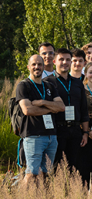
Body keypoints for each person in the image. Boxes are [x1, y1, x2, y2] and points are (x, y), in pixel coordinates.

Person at [16, 55, 65, 185]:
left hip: (51, 136)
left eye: (39, 64)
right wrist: (50, 108)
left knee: (46, 174)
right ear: (28, 67)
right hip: (33, 136)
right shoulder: (23, 86)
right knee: (31, 173)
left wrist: (42, 102)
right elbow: (28, 110)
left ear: (44, 67)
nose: (37, 67)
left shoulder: (50, 86)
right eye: (34, 64)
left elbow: (61, 107)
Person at [45, 48, 90, 178]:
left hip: (75, 130)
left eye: (68, 60)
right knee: (56, 166)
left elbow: (83, 110)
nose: (65, 62)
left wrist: (85, 133)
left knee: (73, 166)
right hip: (56, 130)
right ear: (54, 61)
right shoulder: (48, 82)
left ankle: (70, 196)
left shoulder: (78, 83)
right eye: (61, 59)